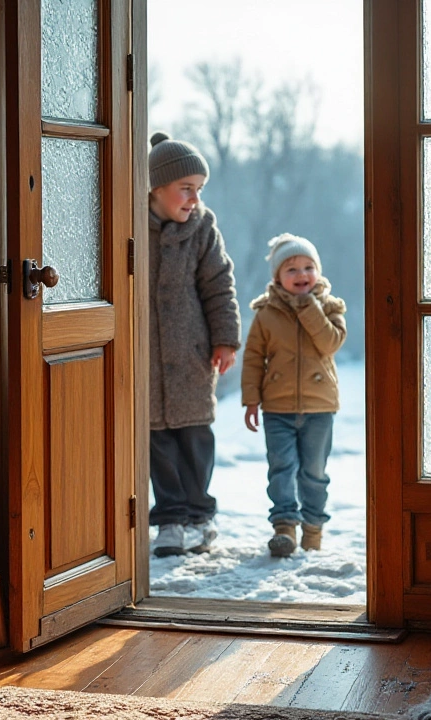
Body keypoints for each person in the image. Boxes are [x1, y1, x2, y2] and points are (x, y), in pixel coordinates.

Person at [146, 132, 241, 558]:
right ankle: (169, 518)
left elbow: (219, 285)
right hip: (146, 357)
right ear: (156, 188)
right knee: (157, 441)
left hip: (191, 353)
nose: (193, 199)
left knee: (194, 438)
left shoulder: (203, 228)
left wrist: (225, 339)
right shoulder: (130, 227)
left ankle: (200, 516)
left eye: (199, 189)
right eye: (185, 189)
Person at [241, 234, 347, 557]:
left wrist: (308, 307)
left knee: (314, 472)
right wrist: (251, 400)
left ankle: (313, 529)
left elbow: (330, 343)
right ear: (277, 278)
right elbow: (253, 357)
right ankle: (284, 528)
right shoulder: (266, 314)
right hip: (277, 407)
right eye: (292, 269)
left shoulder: (330, 307)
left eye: (308, 267)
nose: (301, 274)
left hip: (319, 406)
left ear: (318, 270)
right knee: (281, 468)